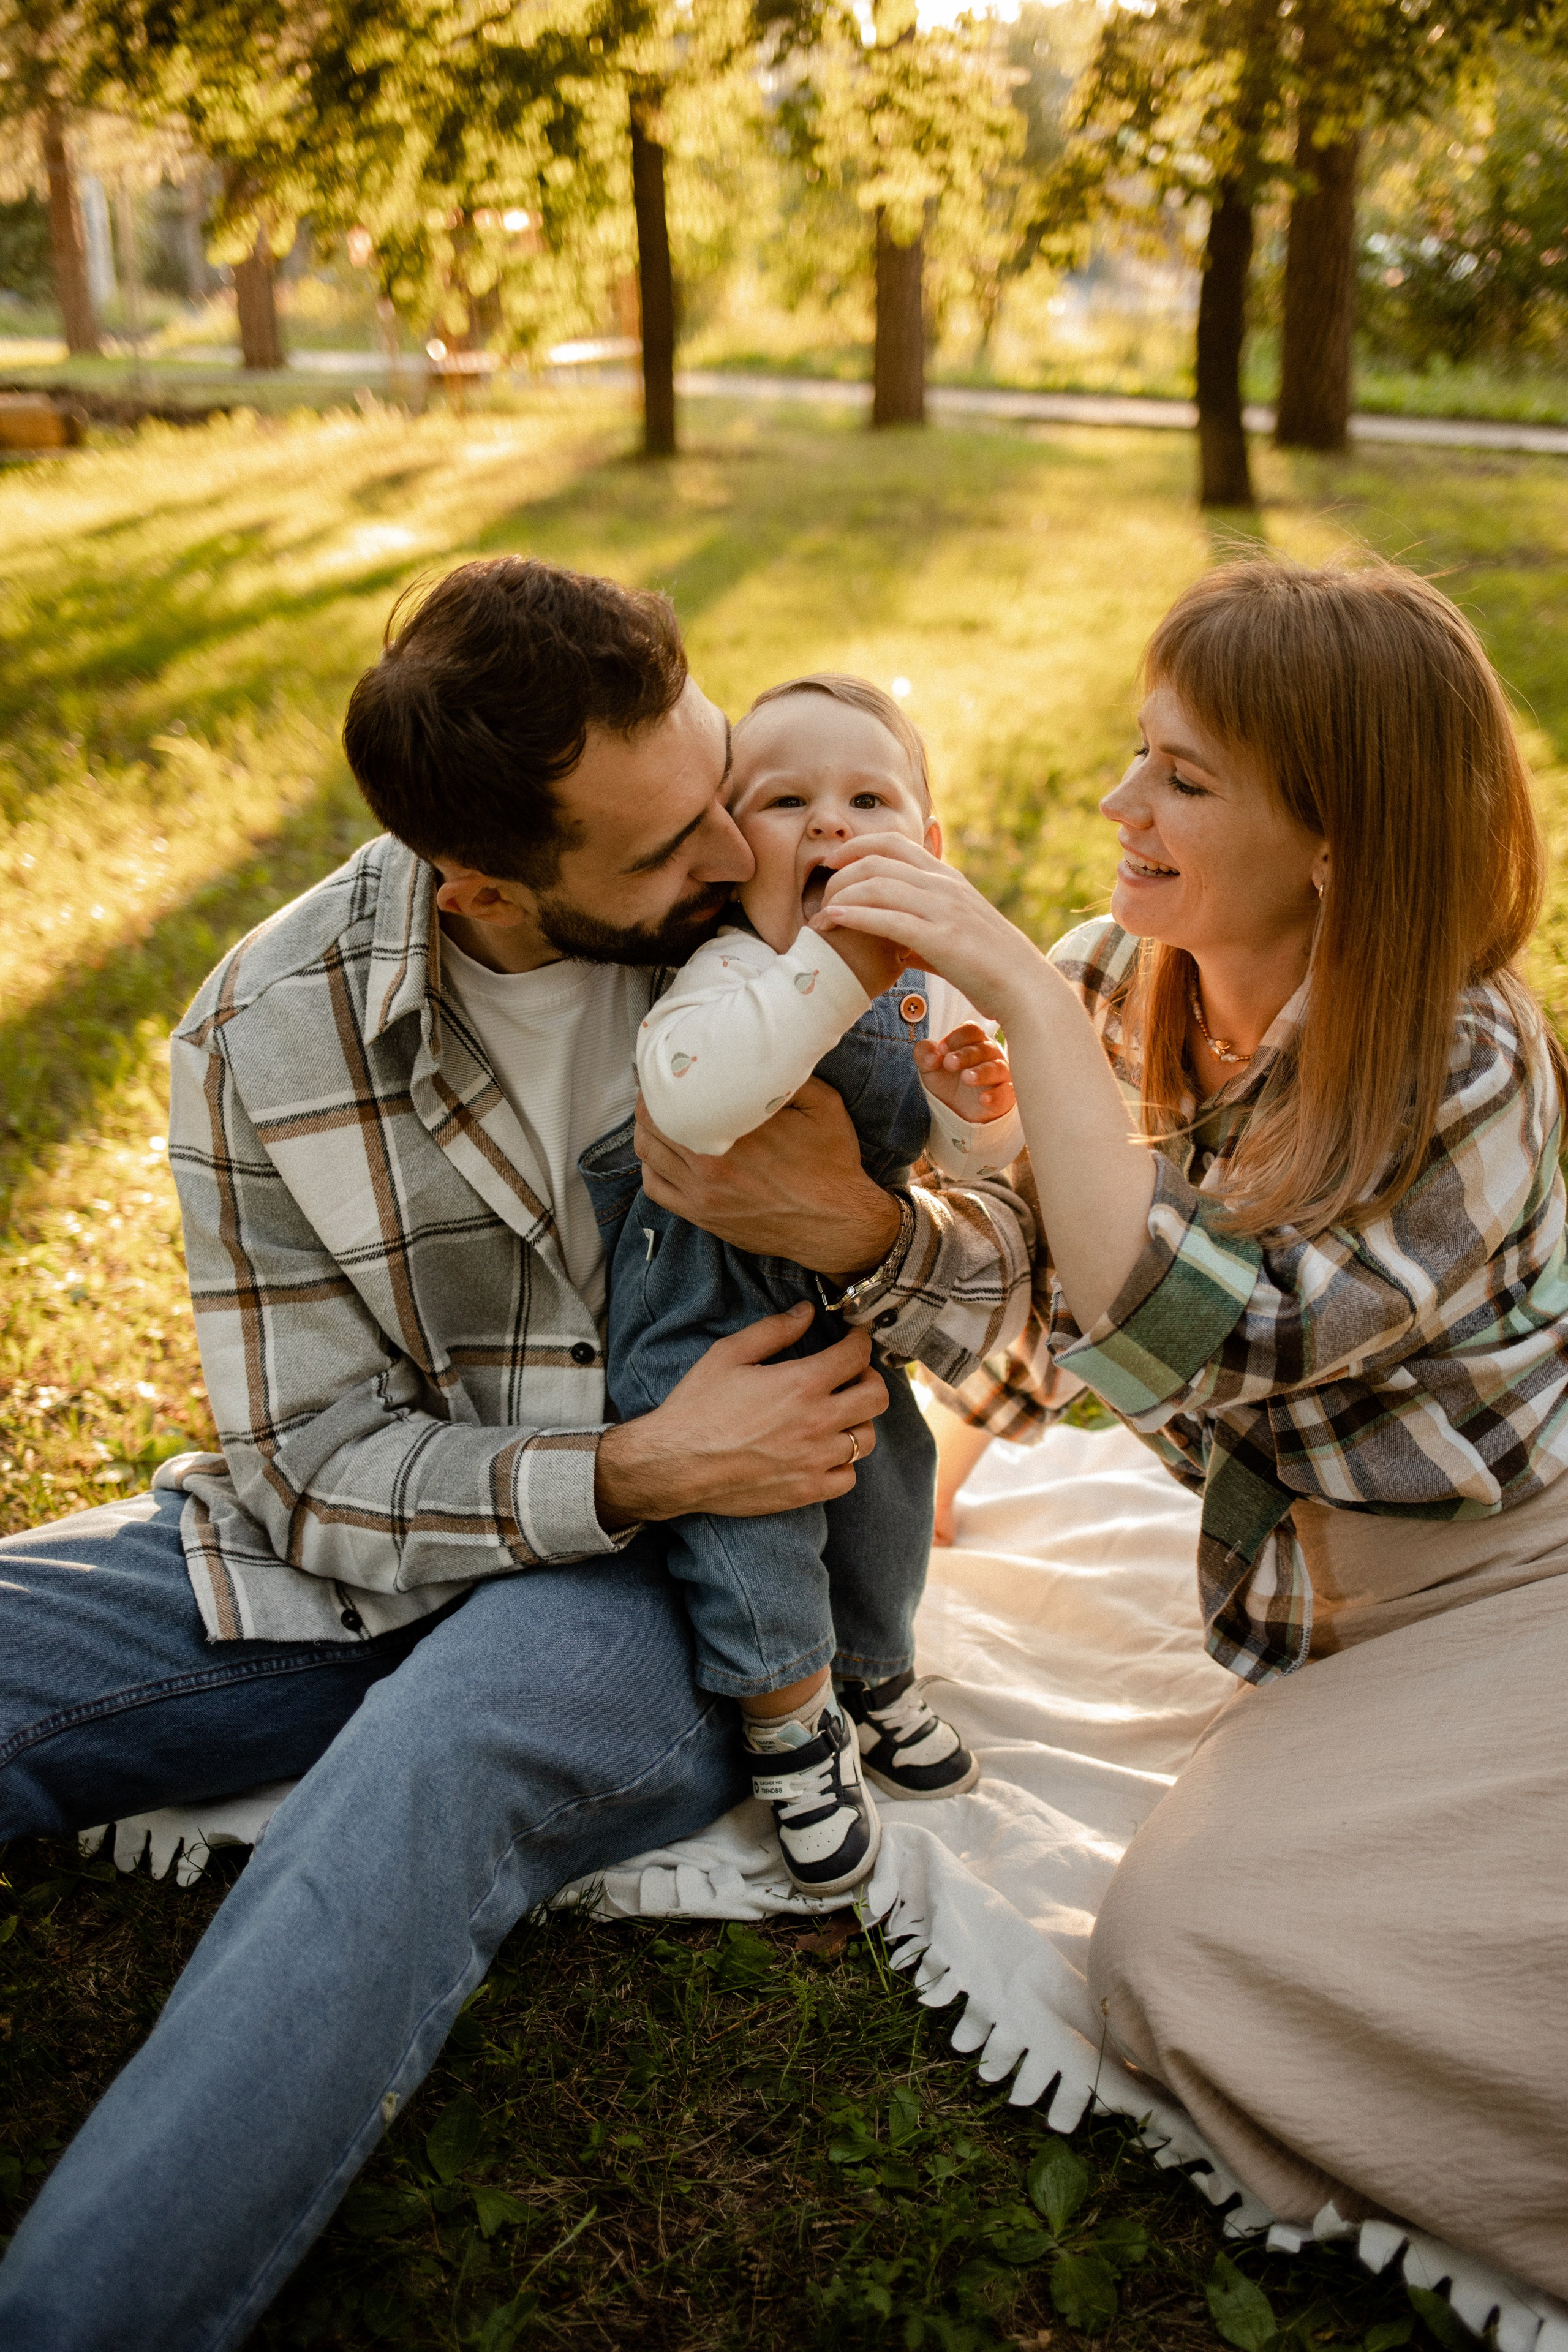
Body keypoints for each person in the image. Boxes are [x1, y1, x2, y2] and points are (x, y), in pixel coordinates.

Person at [0, 557, 1036, 2351]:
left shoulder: (809, 929)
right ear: (480, 879)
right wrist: (635, 1463)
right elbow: (308, 1460)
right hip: (392, 1536)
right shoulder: (269, 1027)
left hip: (673, 1598)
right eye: (662, 849)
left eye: (717, 771)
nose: (735, 847)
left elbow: (1037, 1328)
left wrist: (865, 1227)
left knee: (421, 1772)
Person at [808, 554, 1568, 2299]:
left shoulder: (1465, 1058)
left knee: (1193, 1953)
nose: (1116, 803)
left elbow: (1193, 1340)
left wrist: (1007, 1001)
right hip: (1324, 1620)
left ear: (1336, 839)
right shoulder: (1111, 978)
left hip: (1518, 1580)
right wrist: (949, 1474)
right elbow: (1044, 1292)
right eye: (1139, 754)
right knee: (1187, 1952)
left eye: (1185, 778)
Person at [584, 674, 1021, 1894]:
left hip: (847, 1309)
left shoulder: (925, 988)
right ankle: (789, 1724)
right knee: (756, 1528)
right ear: (732, 854)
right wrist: (834, 957)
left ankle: (877, 1668)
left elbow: (972, 1165)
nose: (829, 825)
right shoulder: (729, 971)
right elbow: (701, 1096)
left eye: (867, 799)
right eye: (784, 801)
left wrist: (974, 1103)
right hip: (704, 1320)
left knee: (885, 1489)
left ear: (927, 849)